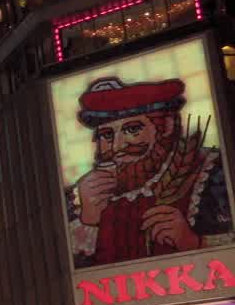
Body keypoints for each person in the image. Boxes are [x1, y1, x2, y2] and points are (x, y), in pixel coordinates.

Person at [66, 76, 229, 269]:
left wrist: (195, 242)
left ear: (166, 125)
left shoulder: (212, 171)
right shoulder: (79, 198)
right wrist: (88, 221)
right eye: (107, 135)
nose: (117, 146)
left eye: (132, 129)